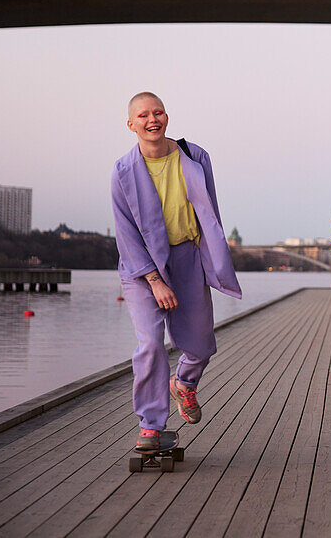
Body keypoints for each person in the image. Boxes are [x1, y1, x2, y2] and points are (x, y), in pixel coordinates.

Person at [111, 92, 242, 449]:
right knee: (151, 345)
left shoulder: (195, 157)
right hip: (142, 267)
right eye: (143, 115)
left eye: (158, 112)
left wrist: (212, 259)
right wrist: (154, 279)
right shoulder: (123, 171)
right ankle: (151, 425)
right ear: (131, 124)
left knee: (201, 343)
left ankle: (184, 383)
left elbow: (209, 212)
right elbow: (125, 232)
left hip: (187, 257)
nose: (152, 120)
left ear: (166, 116)